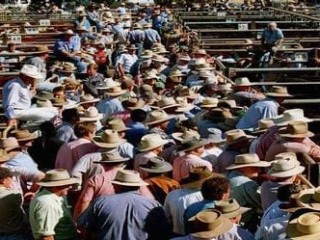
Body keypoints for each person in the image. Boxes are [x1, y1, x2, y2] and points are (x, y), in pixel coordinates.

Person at [77, 169, 170, 240]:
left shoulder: (101, 202)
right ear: (138, 186)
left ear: (117, 186)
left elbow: (84, 228)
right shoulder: (153, 205)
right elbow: (162, 233)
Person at [226, 153, 270, 232]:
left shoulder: (231, 175)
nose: (259, 170)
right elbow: (264, 205)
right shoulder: (247, 184)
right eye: (255, 167)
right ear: (244, 168)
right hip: (244, 223)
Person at [29, 169, 78, 240]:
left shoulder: (59, 196)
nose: (70, 187)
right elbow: (46, 236)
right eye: (66, 185)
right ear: (55, 186)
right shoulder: (47, 204)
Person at [0, 167, 31, 239]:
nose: (11, 181)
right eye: (10, 178)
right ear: (3, 180)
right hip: (15, 234)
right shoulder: (15, 194)